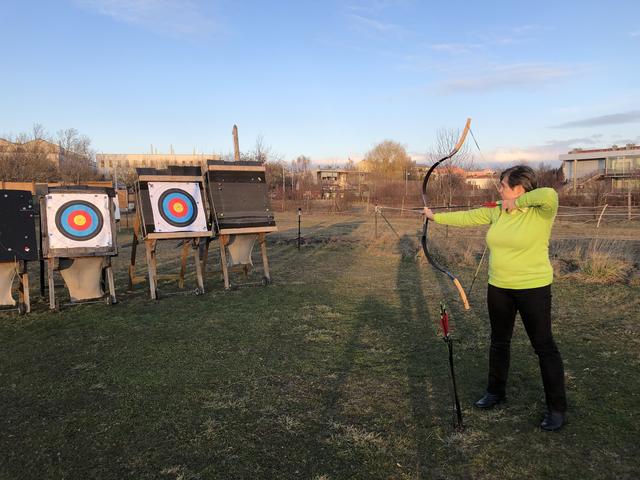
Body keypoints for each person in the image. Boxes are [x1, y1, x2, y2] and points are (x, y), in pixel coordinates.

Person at [423, 165, 567, 431]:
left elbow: (549, 194)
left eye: (502, 185)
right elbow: (468, 217)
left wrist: (516, 203)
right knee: (499, 341)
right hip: (499, 286)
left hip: (533, 288)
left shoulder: (540, 212)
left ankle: (557, 408)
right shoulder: (497, 210)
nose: (498, 189)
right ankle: (496, 391)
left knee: (544, 346)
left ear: (519, 188)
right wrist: (436, 218)